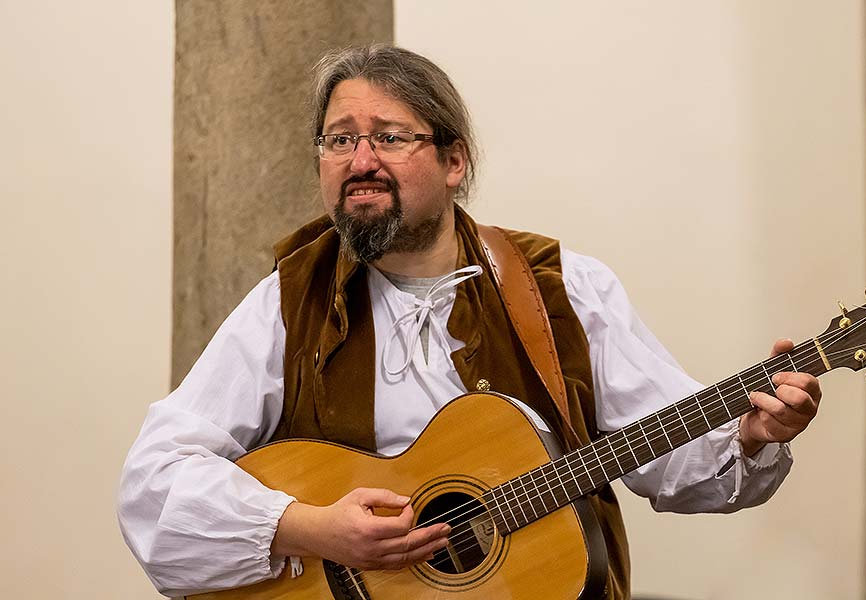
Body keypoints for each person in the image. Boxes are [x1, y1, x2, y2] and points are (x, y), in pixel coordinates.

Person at [118, 45, 821, 599]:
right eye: (338, 141)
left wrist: (753, 436)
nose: (360, 163)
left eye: (389, 138)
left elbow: (677, 462)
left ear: (454, 161)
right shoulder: (288, 301)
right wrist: (312, 529)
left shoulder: (563, 288)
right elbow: (153, 483)